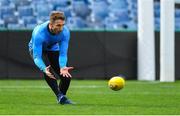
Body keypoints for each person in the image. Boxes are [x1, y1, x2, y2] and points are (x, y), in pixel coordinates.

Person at [28, 11, 74, 105]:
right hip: (37, 50)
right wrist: (44, 68)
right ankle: (60, 96)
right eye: (58, 25)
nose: (61, 28)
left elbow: (63, 54)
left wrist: (63, 66)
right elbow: (37, 57)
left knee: (66, 76)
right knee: (48, 71)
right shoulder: (39, 33)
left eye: (62, 25)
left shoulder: (65, 32)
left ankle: (61, 97)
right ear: (51, 24)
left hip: (52, 47)